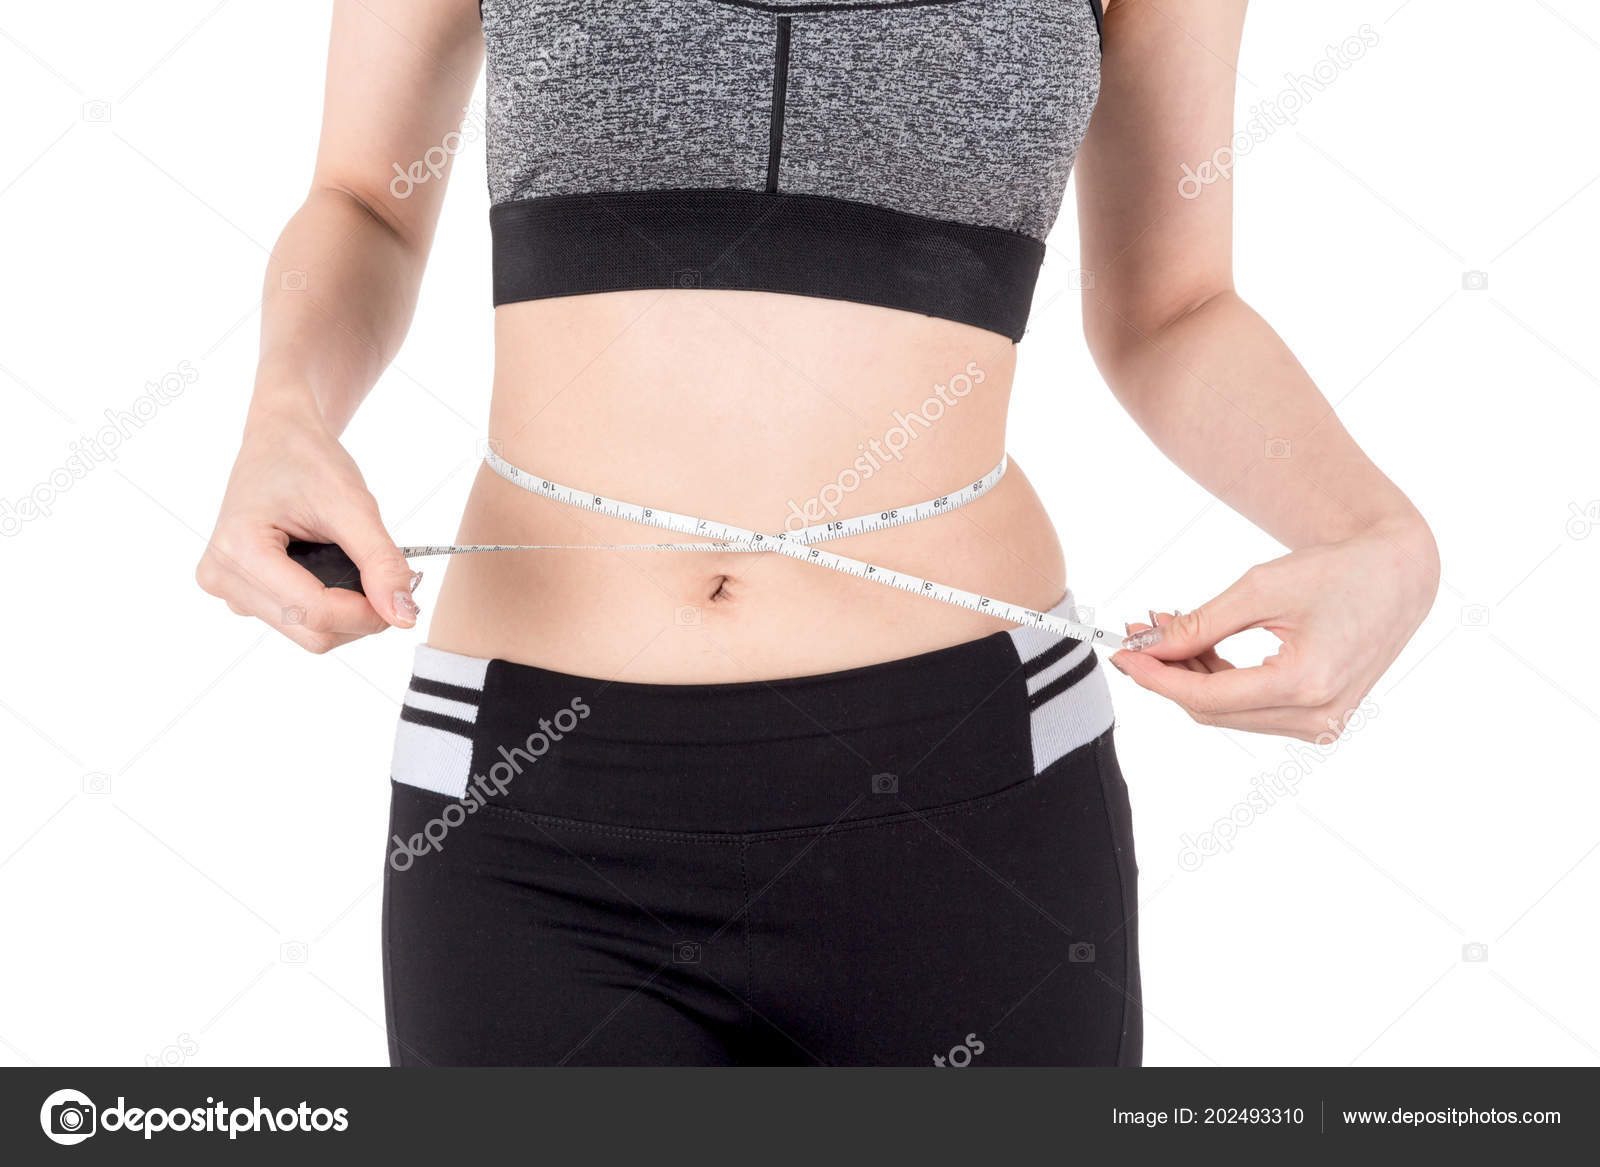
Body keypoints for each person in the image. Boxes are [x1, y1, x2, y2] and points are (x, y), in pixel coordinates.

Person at [196, 0, 1438, 1066]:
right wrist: (282, 415)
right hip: (532, 807)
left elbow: (1175, 305)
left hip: (970, 793)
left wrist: (1376, 531)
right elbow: (364, 197)